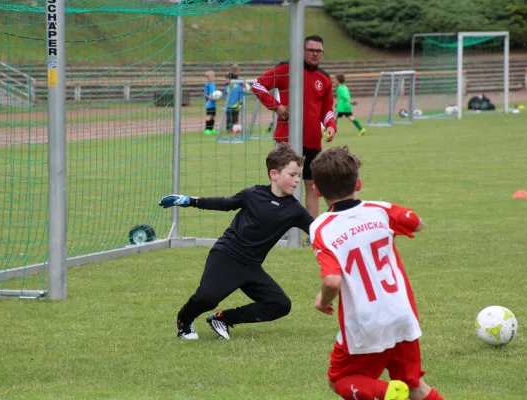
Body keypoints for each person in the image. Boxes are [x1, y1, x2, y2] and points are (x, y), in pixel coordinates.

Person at [308, 147, 444, 400]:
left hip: (365, 321)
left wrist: (322, 301)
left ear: (316, 190)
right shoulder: (380, 210)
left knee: (341, 379)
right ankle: (395, 390)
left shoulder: (321, 227)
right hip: (402, 313)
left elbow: (332, 280)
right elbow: (417, 223)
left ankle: (387, 392)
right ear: (358, 183)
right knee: (414, 386)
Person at [158, 143, 314, 340]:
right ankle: (184, 321)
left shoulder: (295, 210)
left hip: (251, 267)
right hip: (226, 255)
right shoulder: (253, 194)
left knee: (280, 305)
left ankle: (222, 319)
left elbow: (318, 230)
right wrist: (190, 200)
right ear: (274, 174)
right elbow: (225, 203)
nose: (297, 180)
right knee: (208, 297)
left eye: (299, 175)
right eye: (292, 175)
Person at [252, 35, 337, 219]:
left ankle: (312, 232)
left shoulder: (325, 78)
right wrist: (277, 106)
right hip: (286, 138)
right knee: (282, 184)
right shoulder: (287, 69)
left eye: (318, 51)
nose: (315, 54)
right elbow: (258, 85)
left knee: (311, 186)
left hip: (313, 140)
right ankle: (278, 230)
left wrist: (330, 125)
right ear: (303, 51)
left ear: (322, 54)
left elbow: (327, 109)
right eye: (311, 50)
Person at [203, 70, 217, 135]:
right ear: (207, 78)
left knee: (213, 116)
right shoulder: (207, 85)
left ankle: (211, 129)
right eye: (210, 77)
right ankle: (207, 129)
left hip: (214, 103)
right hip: (209, 103)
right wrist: (210, 98)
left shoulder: (213, 84)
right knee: (209, 115)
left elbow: (214, 93)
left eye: (213, 76)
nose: (212, 78)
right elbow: (205, 94)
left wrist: (216, 96)